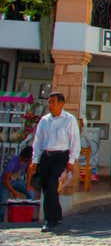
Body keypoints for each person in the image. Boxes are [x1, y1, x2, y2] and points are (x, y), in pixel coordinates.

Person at [30, 92, 80, 232]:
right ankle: (56, 215)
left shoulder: (69, 120)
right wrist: (35, 160)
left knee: (52, 184)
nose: (50, 105)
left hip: (61, 156)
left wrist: (71, 160)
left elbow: (75, 141)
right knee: (47, 188)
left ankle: (49, 220)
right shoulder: (44, 120)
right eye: (49, 102)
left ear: (61, 103)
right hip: (46, 156)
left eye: (53, 102)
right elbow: (38, 141)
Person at [0, 146, 35, 221]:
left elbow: (29, 171)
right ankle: (1, 219)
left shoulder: (28, 162)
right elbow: (5, 180)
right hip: (6, 182)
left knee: (31, 193)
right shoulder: (13, 163)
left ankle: (25, 213)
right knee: (3, 200)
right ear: (26, 157)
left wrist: (28, 184)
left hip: (16, 181)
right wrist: (14, 192)